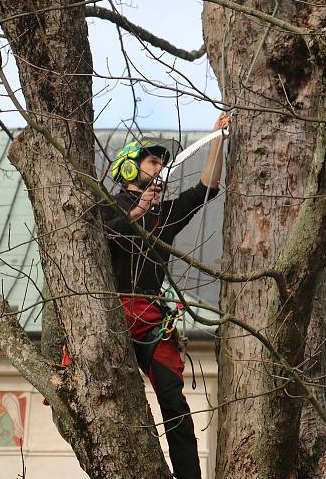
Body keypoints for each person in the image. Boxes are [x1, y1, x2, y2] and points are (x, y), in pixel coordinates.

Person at [100, 114, 229, 479]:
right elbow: (105, 236)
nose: (160, 168)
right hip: (110, 312)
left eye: (161, 163)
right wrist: (138, 209)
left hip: (151, 317)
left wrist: (218, 139)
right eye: (153, 161)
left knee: (174, 399)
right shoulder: (107, 206)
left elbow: (206, 187)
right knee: (109, 394)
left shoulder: (164, 215)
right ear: (129, 168)